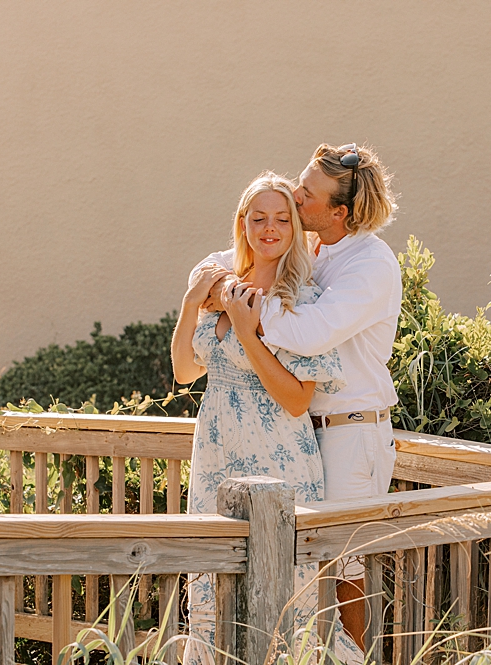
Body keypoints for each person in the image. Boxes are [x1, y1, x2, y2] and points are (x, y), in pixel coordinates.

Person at [196, 143, 401, 647]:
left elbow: (309, 334)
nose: (293, 193)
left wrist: (239, 306)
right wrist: (216, 281)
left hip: (352, 432)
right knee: (303, 571)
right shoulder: (319, 248)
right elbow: (239, 253)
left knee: (345, 570)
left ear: (340, 212)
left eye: (305, 193)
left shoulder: (370, 264)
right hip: (305, 436)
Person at [172, 173, 345, 663]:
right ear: (242, 224)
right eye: (259, 218)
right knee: (209, 590)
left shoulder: (303, 300)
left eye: (282, 218)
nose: (270, 228)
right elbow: (186, 371)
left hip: (280, 455)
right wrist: (190, 303)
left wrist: (249, 332)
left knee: (285, 595)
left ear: (294, 227)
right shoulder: (217, 290)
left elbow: (296, 401)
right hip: (216, 451)